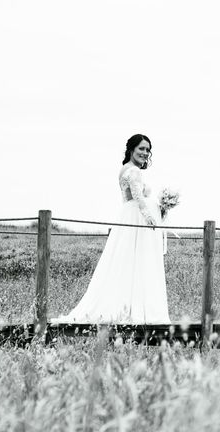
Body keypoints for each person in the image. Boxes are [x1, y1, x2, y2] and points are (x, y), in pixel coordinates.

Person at [53, 134, 170, 324]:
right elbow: (138, 198)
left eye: (147, 150)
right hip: (137, 219)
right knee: (138, 262)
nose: (145, 153)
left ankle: (129, 304)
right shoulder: (133, 171)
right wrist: (150, 216)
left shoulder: (124, 169)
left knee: (127, 263)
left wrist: (161, 208)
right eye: (141, 148)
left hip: (128, 215)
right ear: (131, 149)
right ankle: (136, 309)